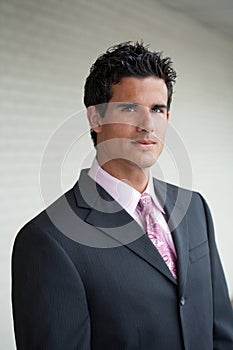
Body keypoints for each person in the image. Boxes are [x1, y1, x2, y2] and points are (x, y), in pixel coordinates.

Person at [12, 41, 233, 349]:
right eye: (130, 108)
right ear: (95, 119)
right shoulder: (47, 240)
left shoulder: (194, 207)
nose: (147, 125)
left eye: (157, 109)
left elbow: (222, 330)